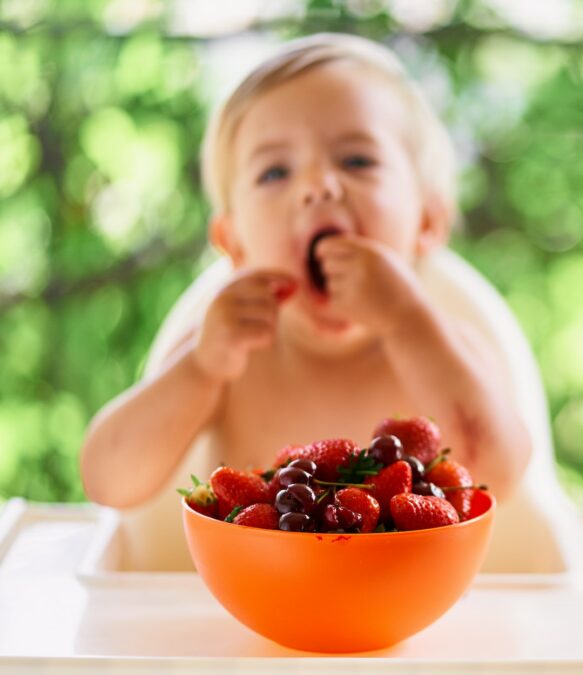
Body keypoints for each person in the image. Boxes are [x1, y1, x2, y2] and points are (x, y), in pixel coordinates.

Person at [79, 33, 532, 519]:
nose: (318, 186)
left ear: (426, 221)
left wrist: (408, 321)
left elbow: (499, 476)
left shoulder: (445, 345)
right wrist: (201, 367)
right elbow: (107, 480)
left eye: (357, 160)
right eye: (275, 172)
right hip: (264, 590)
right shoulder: (223, 353)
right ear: (234, 244)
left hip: (407, 591)